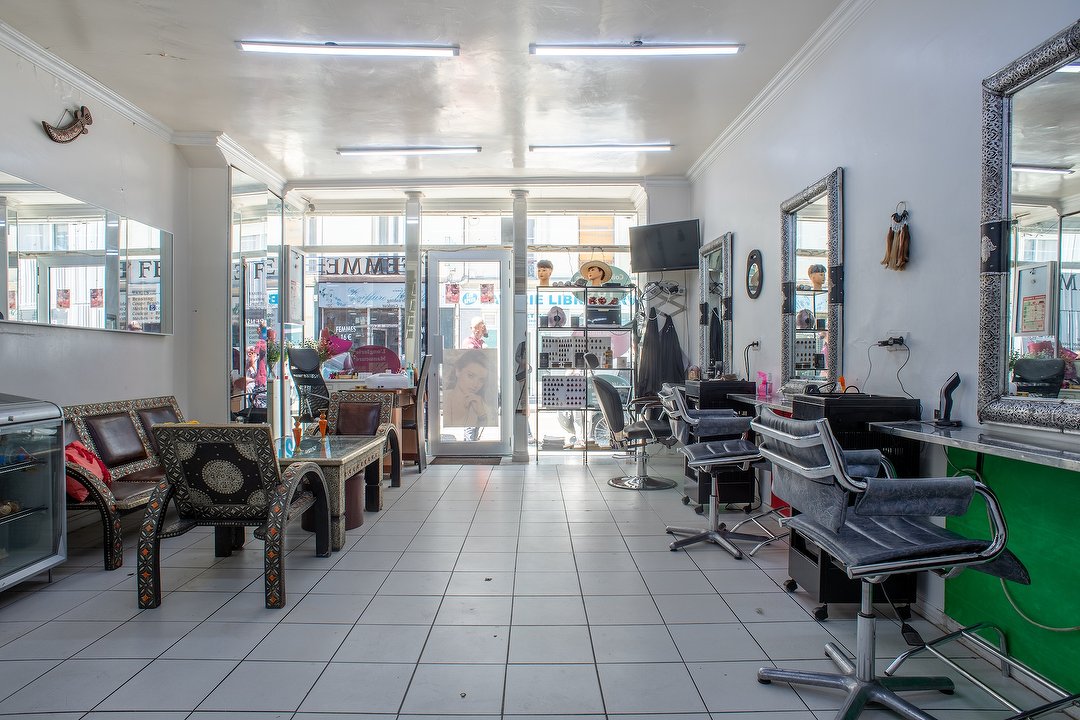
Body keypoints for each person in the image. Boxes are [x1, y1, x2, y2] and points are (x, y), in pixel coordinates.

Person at [444, 349, 490, 438]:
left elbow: (485, 423)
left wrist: (482, 415)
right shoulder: (444, 398)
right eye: (471, 376)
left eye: (481, 380)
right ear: (458, 371)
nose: (475, 384)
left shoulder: (481, 405)